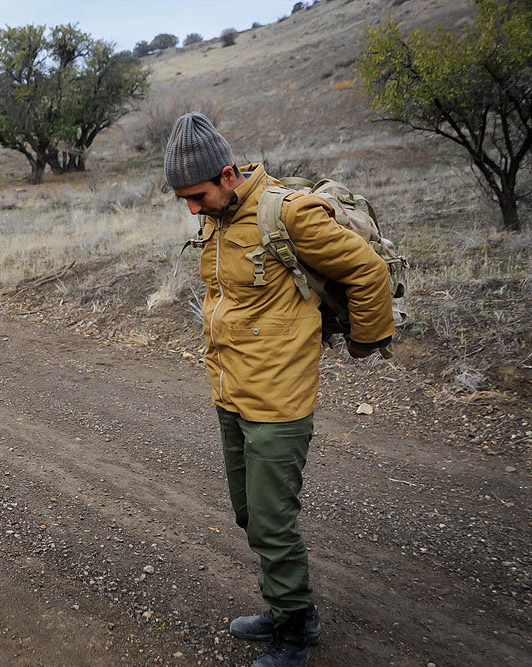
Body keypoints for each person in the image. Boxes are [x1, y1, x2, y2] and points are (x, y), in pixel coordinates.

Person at [164, 113, 394, 667]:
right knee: (248, 512)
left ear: (227, 174)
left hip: (279, 400)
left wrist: (365, 341)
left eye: (196, 196)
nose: (191, 209)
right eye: (183, 200)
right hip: (230, 390)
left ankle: (295, 626)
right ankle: (282, 605)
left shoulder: (287, 213)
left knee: (271, 518)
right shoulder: (217, 218)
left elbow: (368, 273)